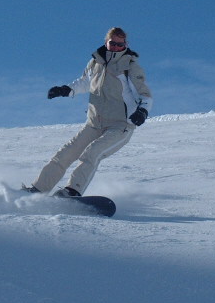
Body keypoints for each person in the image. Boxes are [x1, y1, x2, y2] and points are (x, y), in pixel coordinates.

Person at [24, 27, 152, 197]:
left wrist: (142, 111)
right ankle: (38, 189)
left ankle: (72, 191)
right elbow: (85, 82)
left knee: (92, 153)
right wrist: (66, 90)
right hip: (94, 123)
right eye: (113, 43)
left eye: (120, 45)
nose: (116, 48)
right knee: (65, 154)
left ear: (125, 45)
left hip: (120, 125)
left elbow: (145, 95)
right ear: (106, 42)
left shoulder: (130, 66)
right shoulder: (95, 62)